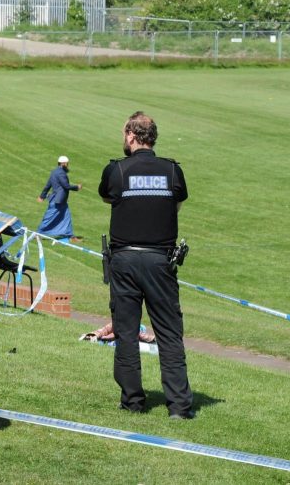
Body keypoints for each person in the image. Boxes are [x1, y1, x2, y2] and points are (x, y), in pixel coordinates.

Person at [98, 111, 193, 420]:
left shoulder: (117, 171)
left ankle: (132, 402)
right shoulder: (172, 171)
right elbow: (176, 205)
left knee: (125, 333)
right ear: (153, 138)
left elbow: (108, 199)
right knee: (168, 332)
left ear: (130, 136)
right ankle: (179, 407)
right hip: (159, 260)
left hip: (125, 259)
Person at [36, 155, 82, 242]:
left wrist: (42, 196)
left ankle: (70, 236)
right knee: (49, 217)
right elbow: (66, 186)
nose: (68, 166)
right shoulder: (61, 173)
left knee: (66, 216)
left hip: (59, 200)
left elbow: (48, 185)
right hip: (58, 200)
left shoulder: (54, 172)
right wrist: (77, 187)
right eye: (67, 164)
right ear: (64, 163)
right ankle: (38, 233)